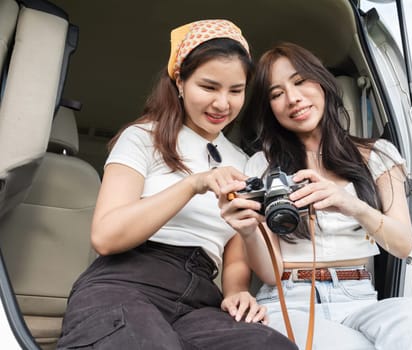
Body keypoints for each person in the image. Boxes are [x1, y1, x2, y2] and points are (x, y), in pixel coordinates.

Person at [56, 21, 297, 350]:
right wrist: (193, 184)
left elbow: (236, 252)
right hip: (126, 283)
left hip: (199, 298)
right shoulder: (143, 137)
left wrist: (237, 291)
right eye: (209, 87)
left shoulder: (243, 163)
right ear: (180, 81)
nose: (222, 104)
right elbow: (106, 236)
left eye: (235, 90)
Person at [219, 42, 412, 350]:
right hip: (289, 300)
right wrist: (250, 231)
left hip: (360, 297)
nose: (293, 99)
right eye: (276, 94)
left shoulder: (377, 155)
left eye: (299, 82)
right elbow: (270, 271)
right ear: (269, 108)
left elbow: (403, 244)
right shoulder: (261, 166)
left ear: (321, 82)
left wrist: (350, 204)